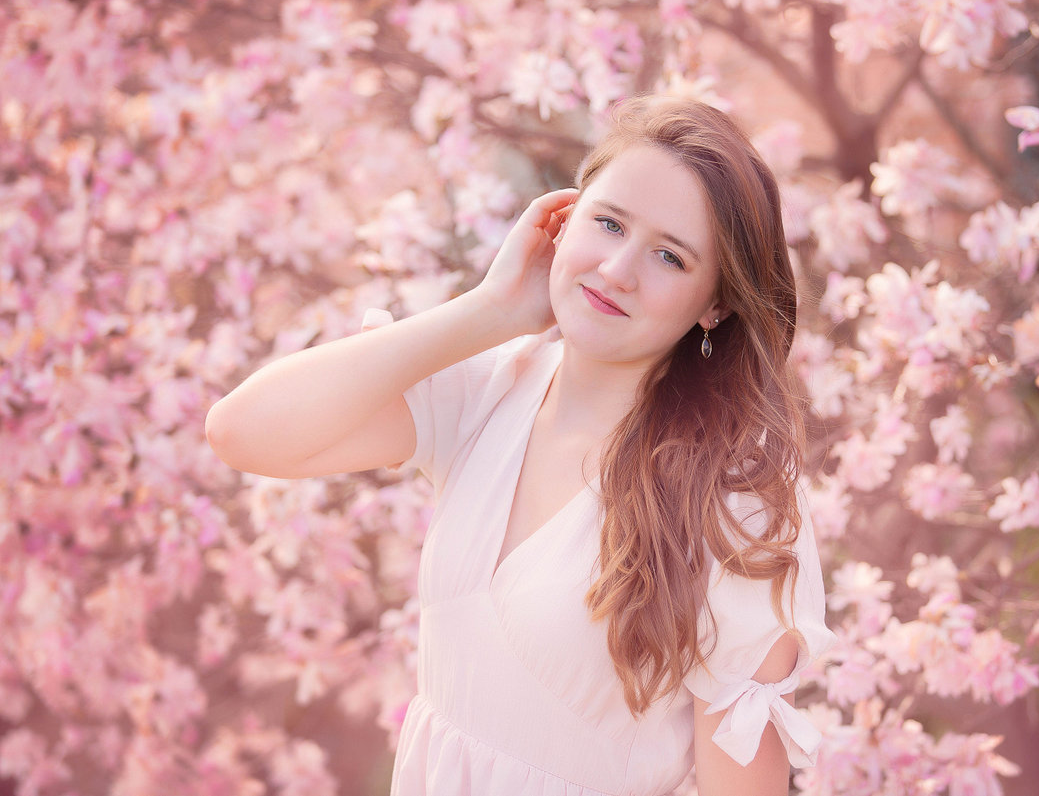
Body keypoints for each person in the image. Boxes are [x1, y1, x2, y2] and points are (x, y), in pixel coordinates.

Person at [205, 95, 834, 796]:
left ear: (714, 304)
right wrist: (490, 310)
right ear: (561, 221)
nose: (619, 269)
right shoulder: (489, 390)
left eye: (669, 255)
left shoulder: (734, 503)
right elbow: (242, 431)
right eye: (608, 223)